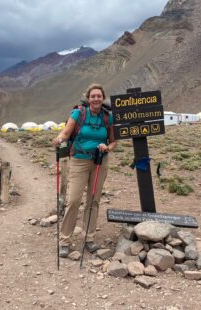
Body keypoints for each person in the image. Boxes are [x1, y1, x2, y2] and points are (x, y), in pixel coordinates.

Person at [52, 84, 117, 258]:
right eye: (93, 96)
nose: (96, 99)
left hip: (99, 161)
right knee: (74, 200)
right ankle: (65, 240)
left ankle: (89, 238)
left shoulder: (107, 117)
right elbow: (66, 133)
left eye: (99, 96)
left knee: (93, 201)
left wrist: (107, 148)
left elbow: (113, 142)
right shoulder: (79, 113)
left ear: (102, 98)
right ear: (88, 98)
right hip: (79, 161)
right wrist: (59, 139)